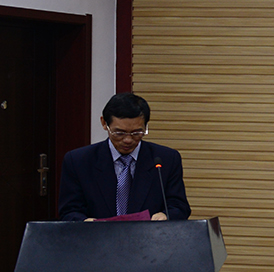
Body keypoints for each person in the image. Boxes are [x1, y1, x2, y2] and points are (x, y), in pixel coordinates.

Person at [58, 92, 191, 221]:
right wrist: (85, 222)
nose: (128, 140)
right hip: (97, 235)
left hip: (148, 234)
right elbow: (69, 211)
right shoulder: (78, 161)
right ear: (104, 123)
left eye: (136, 133)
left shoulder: (166, 159)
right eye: (119, 133)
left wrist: (165, 215)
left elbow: (179, 207)